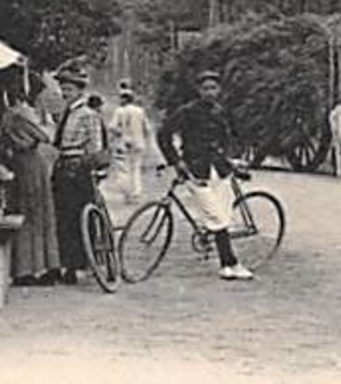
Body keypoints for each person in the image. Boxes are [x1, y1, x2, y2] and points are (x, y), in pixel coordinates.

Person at [157, 69, 253, 281]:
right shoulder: (187, 112)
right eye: (205, 88)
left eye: (213, 88)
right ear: (198, 90)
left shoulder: (221, 112)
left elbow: (230, 138)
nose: (210, 92)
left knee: (222, 217)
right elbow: (163, 135)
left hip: (219, 170)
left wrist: (232, 159)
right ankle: (232, 263)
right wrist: (176, 161)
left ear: (219, 90)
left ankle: (226, 265)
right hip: (195, 170)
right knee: (217, 217)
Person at [0, 76, 63, 286]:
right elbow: (45, 136)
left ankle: (25, 268)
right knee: (37, 214)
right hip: (31, 164)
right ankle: (40, 266)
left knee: (26, 212)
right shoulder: (23, 112)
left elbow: (41, 137)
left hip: (22, 164)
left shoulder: (13, 113)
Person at [51, 65, 106, 286]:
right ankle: (66, 264)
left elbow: (95, 146)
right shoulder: (66, 113)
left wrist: (91, 166)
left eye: (70, 89)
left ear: (80, 91)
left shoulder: (87, 115)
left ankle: (79, 264)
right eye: (63, 89)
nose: (65, 93)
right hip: (63, 167)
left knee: (78, 218)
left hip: (79, 170)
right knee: (63, 218)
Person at [108, 80, 155, 204]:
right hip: (138, 142)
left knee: (124, 169)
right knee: (136, 168)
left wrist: (119, 133)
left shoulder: (119, 111)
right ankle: (136, 193)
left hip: (124, 143)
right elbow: (147, 128)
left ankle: (127, 193)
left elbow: (112, 127)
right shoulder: (140, 111)